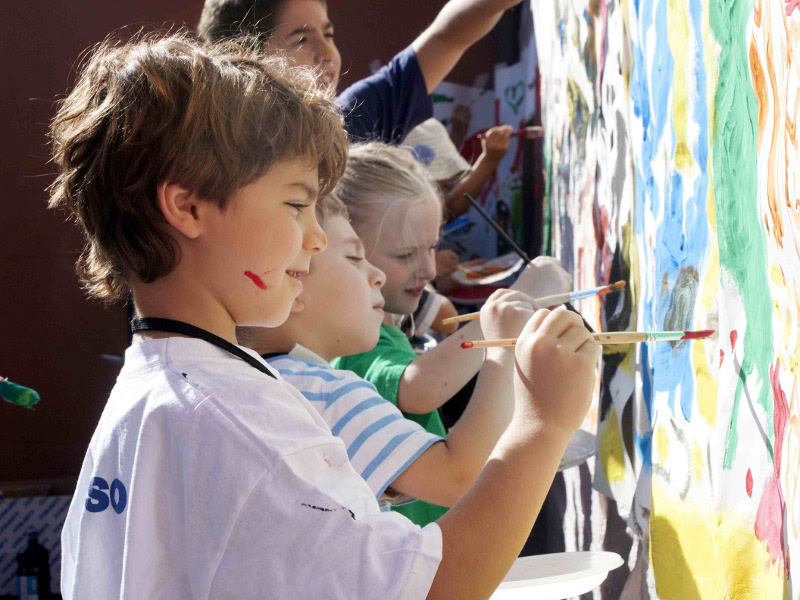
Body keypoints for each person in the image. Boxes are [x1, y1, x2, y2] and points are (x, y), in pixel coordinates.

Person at [50, 31, 601, 599]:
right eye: (296, 204)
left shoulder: (148, 402)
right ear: (188, 206)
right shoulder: (239, 420)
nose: (316, 238)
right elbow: (439, 586)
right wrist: (543, 423)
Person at [241, 194, 536, 509]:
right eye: (355, 258)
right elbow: (459, 479)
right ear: (292, 283)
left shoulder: (263, 384)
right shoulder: (319, 393)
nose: (377, 275)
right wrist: (503, 346)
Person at [331, 142, 572, 525]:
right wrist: (513, 307)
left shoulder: (385, 327)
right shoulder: (355, 343)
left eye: (431, 248)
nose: (428, 269)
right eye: (406, 255)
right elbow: (420, 387)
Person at [197, 0, 525, 143]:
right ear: (242, 60)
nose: (327, 54)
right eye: (300, 39)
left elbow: (445, 37)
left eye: (328, 34)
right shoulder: (231, 169)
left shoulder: (351, 119)